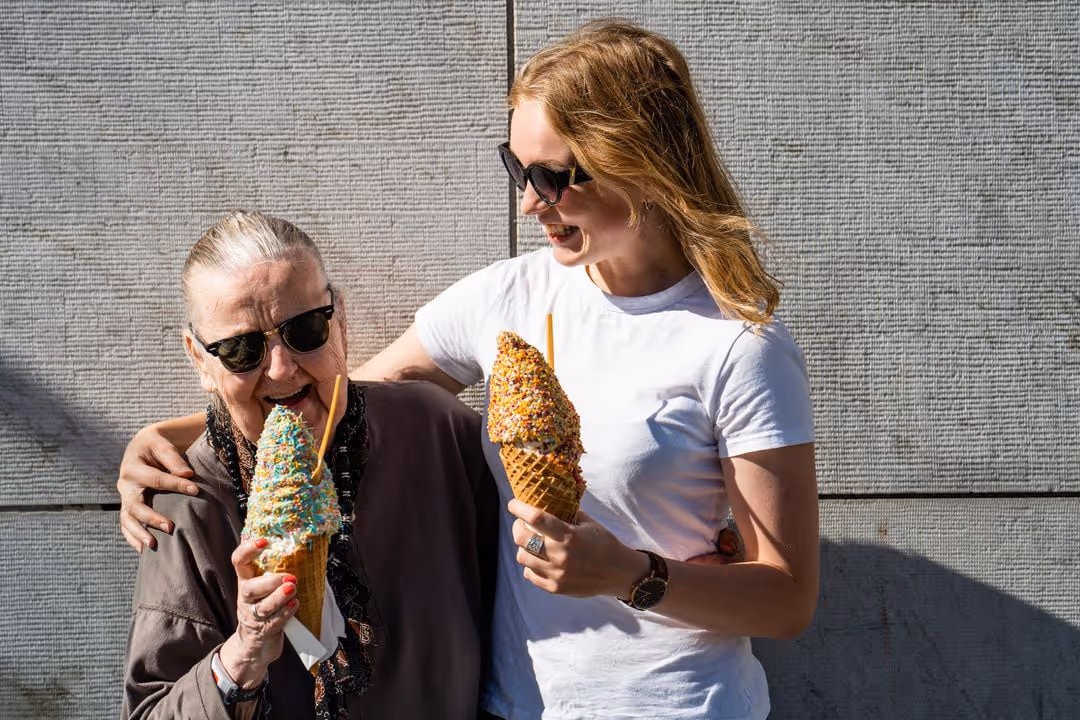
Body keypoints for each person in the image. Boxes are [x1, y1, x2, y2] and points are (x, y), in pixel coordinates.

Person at [119, 20, 817, 720]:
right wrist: (179, 433)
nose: (528, 202)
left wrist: (630, 575)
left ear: (640, 161)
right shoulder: (509, 296)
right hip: (514, 708)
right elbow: (339, 392)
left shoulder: (738, 344)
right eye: (516, 170)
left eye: (553, 176)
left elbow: (786, 601)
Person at [121, 210, 497, 720]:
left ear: (339, 319)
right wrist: (242, 656)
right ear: (200, 360)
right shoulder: (185, 501)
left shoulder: (435, 431)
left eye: (305, 329)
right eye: (240, 349)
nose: (280, 368)